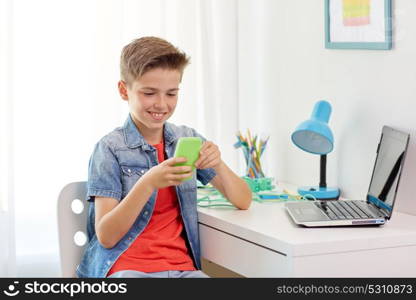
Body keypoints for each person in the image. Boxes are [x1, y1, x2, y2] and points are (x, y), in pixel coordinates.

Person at [76, 36, 252, 278]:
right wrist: (148, 182)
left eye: (171, 93)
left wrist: (218, 163)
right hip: (126, 269)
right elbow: (106, 236)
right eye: (149, 93)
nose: (161, 104)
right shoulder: (109, 149)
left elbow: (243, 200)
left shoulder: (187, 140)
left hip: (181, 269)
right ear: (123, 90)